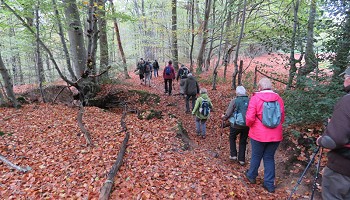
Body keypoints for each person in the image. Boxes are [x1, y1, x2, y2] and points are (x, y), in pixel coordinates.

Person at [245, 77, 285, 193]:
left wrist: (249, 125)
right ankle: (269, 184)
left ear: (260, 87)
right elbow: (281, 117)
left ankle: (252, 176)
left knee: (256, 155)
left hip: (258, 134)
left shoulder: (255, 98)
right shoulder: (279, 99)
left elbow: (250, 118)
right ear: (271, 87)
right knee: (269, 157)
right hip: (276, 135)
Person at [316, 67, 350, 200]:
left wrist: (320, 140)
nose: (344, 81)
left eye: (345, 77)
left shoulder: (347, 101)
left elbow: (334, 139)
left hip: (343, 170)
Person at [221, 86, 249, 166]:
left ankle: (233, 155)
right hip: (247, 125)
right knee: (243, 141)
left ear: (237, 93)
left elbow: (229, 113)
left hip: (235, 125)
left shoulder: (234, 101)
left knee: (232, 137)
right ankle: (242, 159)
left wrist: (224, 117)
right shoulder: (249, 100)